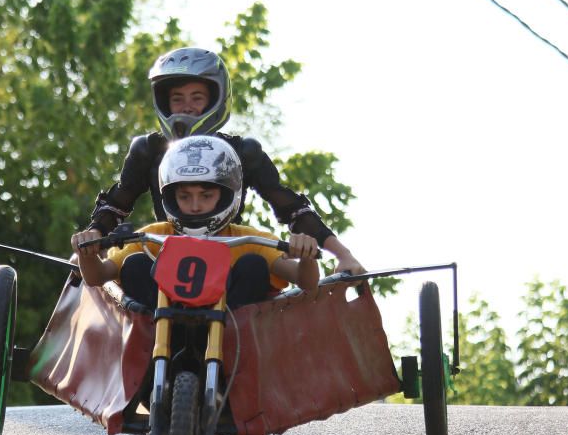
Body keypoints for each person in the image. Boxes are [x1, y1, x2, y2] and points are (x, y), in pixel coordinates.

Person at [73, 46, 364, 275]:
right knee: (133, 271)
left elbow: (291, 208)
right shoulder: (147, 149)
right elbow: (117, 204)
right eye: (177, 98)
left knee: (256, 271)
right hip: (164, 257)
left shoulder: (243, 151)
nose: (187, 106)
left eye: (197, 97)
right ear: (164, 103)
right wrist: (91, 238)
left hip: (231, 258)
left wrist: (343, 255)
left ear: (216, 99)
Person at [73, 136, 320, 309]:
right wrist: (87, 252)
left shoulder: (248, 239)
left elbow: (305, 281)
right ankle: (151, 362)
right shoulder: (153, 236)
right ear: (169, 196)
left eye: (206, 196)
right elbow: (98, 276)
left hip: (232, 335)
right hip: (160, 331)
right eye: (184, 196)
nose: (194, 205)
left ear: (226, 194)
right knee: (134, 264)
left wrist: (306, 254)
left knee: (253, 265)